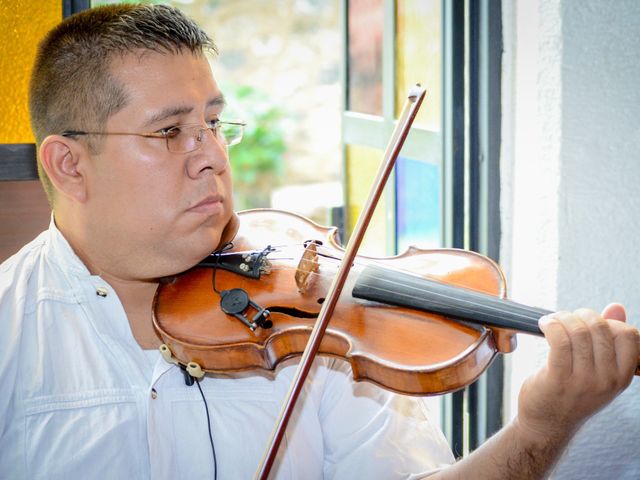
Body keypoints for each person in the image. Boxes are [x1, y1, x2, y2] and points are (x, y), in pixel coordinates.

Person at [0, 4, 638, 479]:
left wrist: (542, 426)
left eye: (215, 124)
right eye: (170, 132)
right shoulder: (10, 331)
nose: (212, 157)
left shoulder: (311, 314)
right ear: (69, 165)